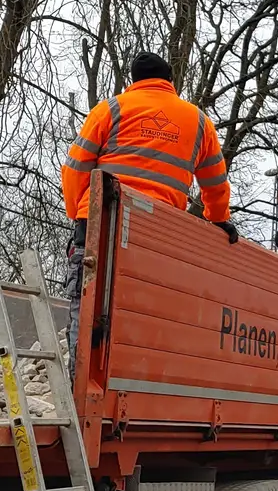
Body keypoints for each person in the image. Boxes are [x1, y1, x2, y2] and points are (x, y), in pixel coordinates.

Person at [60, 52, 237, 350]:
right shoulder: (197, 121)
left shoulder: (111, 108)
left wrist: (78, 213)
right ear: (170, 80)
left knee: (88, 304)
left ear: (134, 82)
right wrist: (218, 218)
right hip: (158, 230)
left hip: (98, 221)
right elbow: (215, 182)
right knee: (141, 309)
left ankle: (80, 384)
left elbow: (75, 168)